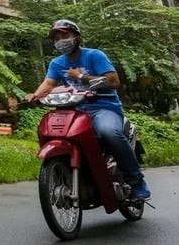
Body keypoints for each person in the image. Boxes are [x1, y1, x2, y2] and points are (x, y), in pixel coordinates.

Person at [25, 19, 151, 201]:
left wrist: (82, 76)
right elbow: (48, 83)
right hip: (74, 110)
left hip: (103, 107)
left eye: (65, 36)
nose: (61, 41)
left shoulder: (95, 56)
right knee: (51, 131)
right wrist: (34, 95)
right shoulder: (56, 63)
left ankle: (136, 182)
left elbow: (113, 81)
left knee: (109, 133)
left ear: (76, 37)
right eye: (57, 38)